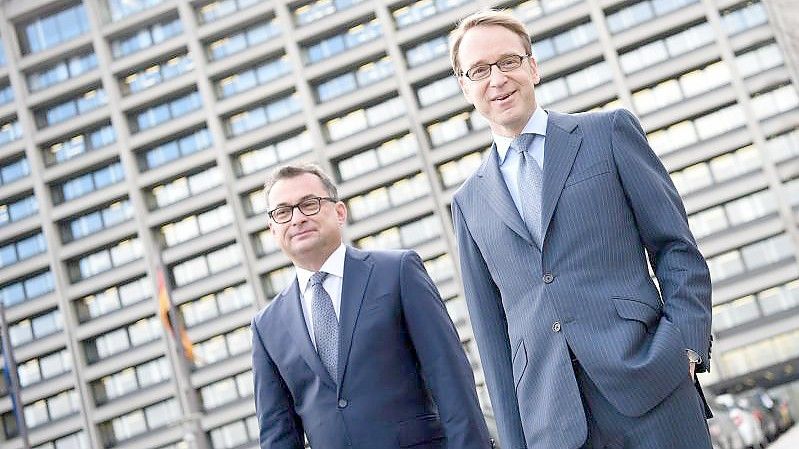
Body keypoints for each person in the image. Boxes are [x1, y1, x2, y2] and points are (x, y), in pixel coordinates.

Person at [448, 9, 713, 449]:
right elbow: (492, 334)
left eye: (508, 62)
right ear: (465, 86)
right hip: (552, 424)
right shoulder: (468, 202)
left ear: (532, 66)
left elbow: (676, 249)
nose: (496, 79)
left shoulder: (607, 133)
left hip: (652, 386)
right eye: (479, 70)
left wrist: (684, 347)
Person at [251, 164, 491, 449]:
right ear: (272, 229)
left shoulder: (397, 272)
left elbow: (450, 377)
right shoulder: (266, 326)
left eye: (309, 204)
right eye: (283, 212)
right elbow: (278, 433)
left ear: (340, 212)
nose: (297, 218)